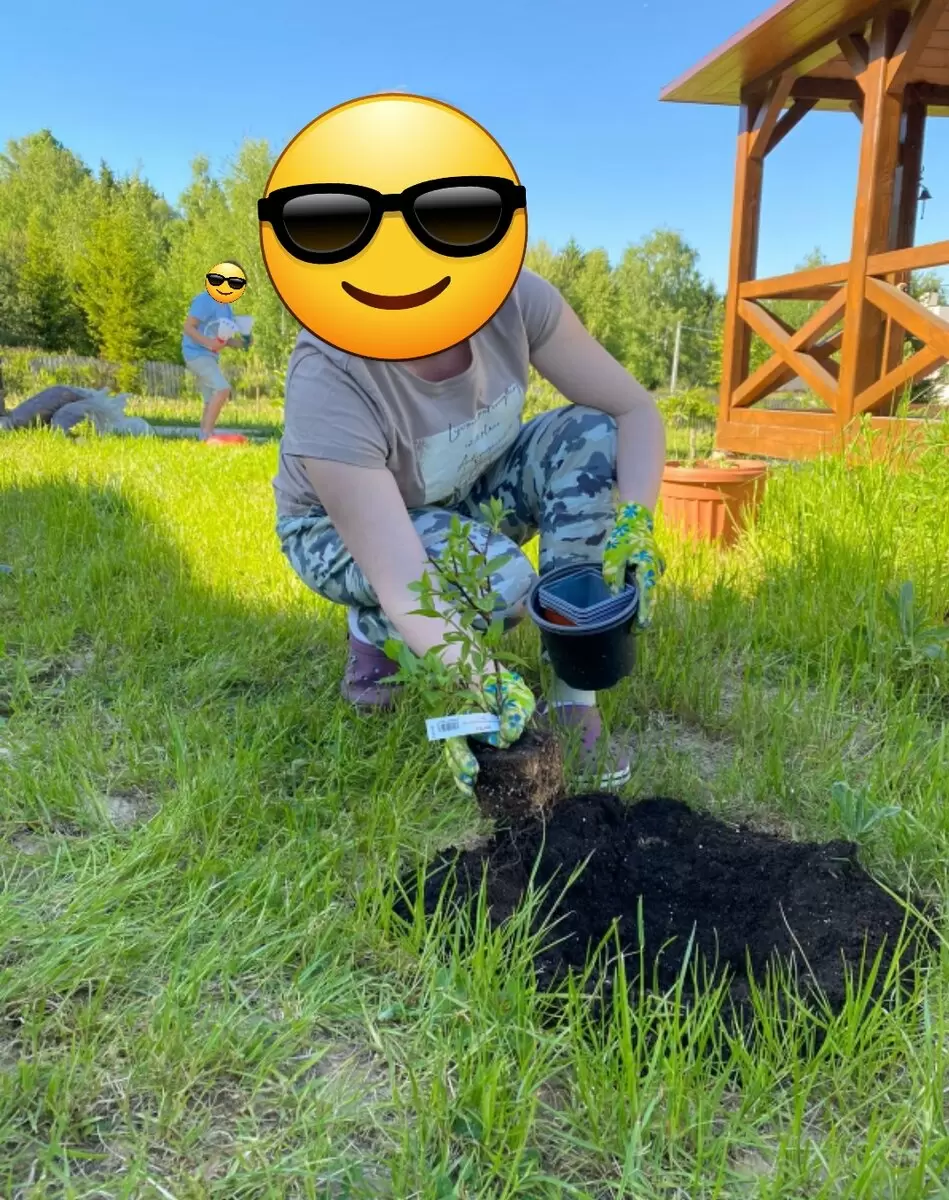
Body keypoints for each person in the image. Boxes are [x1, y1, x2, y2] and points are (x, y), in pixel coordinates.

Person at [273, 268, 665, 791]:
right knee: (501, 587)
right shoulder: (329, 370)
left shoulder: (512, 295)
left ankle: (571, 696)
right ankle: (373, 629)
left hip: (462, 488)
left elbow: (632, 409)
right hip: (335, 528)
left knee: (587, 434)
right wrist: (479, 682)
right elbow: (402, 582)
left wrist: (636, 520)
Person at [181, 260, 252, 442]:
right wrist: (210, 344)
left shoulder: (226, 307)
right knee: (222, 389)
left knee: (210, 398)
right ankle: (208, 434)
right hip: (195, 353)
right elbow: (188, 327)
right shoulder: (205, 300)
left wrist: (243, 343)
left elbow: (223, 340)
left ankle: (204, 438)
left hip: (210, 356)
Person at [0, 385, 153, 436]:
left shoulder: (18, 419)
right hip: (71, 399)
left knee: (61, 423)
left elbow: (63, 395)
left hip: (78, 397)